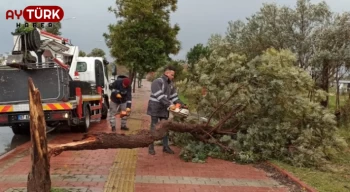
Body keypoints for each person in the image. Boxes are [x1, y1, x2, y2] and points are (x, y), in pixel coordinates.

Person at [147, 65, 185, 155]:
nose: (173, 77)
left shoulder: (171, 84)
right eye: (172, 75)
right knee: (154, 127)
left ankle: (165, 147)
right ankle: (151, 147)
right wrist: (170, 105)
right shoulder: (157, 82)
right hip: (155, 107)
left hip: (164, 108)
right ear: (166, 73)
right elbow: (159, 96)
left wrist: (182, 104)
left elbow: (174, 97)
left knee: (165, 127)